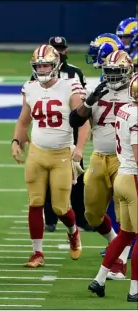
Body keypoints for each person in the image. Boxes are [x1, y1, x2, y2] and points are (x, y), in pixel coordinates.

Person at [12, 44, 88, 268]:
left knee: (60, 208)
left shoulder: (70, 87)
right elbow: (24, 120)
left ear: (55, 65)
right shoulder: (30, 88)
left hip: (62, 154)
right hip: (37, 152)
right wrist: (17, 140)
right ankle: (37, 253)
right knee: (35, 203)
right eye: (39, 66)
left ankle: (73, 232)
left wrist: (80, 148)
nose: (42, 69)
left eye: (46, 65)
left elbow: (83, 122)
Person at [30, 36, 92, 232]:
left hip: (70, 131)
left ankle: (80, 218)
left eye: (61, 47)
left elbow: (82, 107)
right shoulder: (39, 74)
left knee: (77, 177)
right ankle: (50, 220)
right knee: (46, 181)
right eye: (56, 47)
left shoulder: (75, 73)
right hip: (48, 132)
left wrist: (81, 140)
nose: (60, 50)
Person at [88, 73, 138, 302]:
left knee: (126, 234)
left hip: (122, 177)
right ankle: (134, 290)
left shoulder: (125, 110)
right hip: (134, 178)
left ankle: (99, 279)